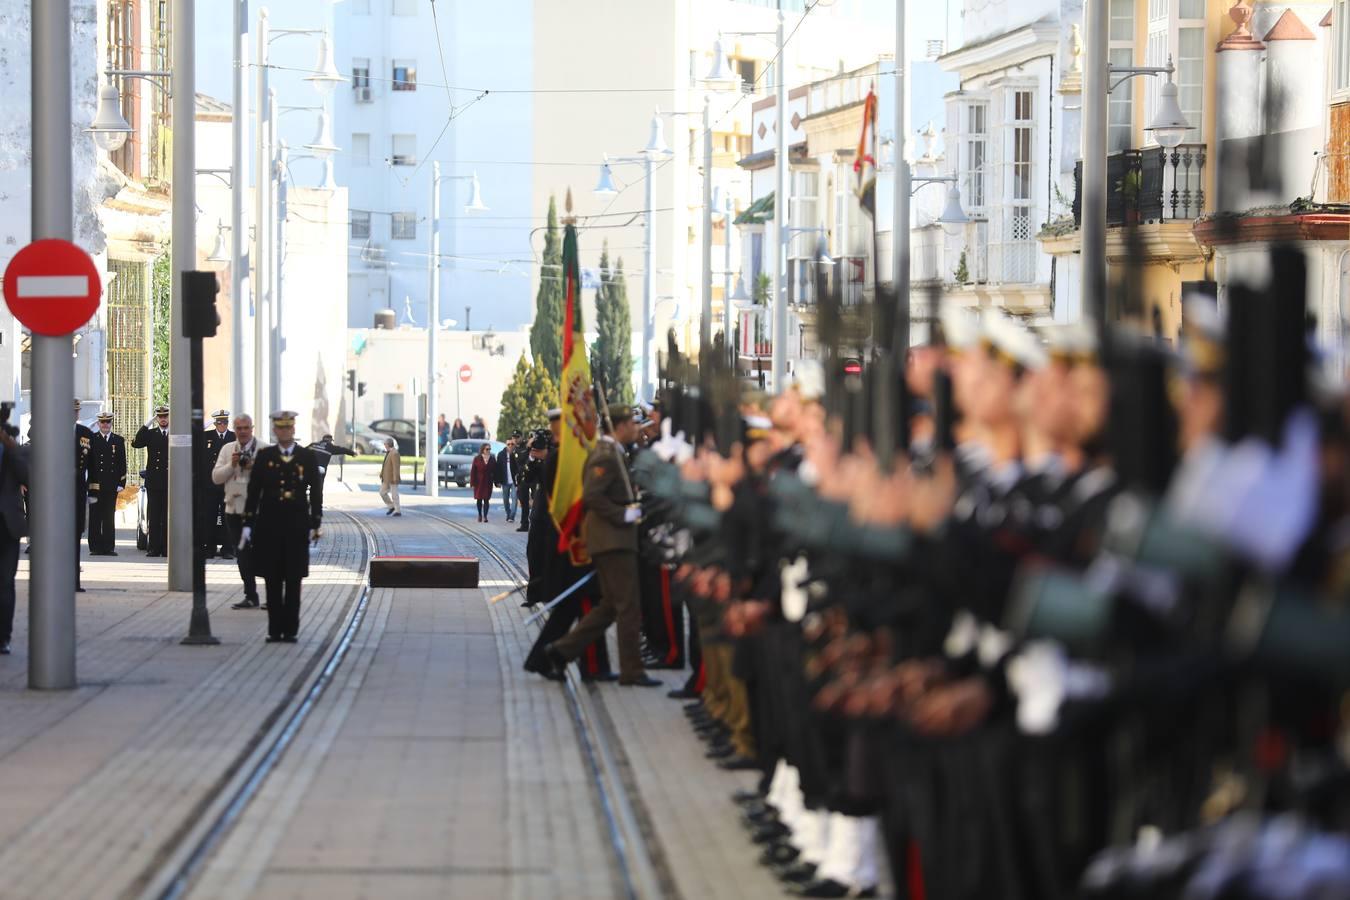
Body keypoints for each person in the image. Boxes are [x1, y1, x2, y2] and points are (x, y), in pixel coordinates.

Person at [543, 404, 661, 687]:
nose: (637, 428)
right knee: (628, 607)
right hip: (613, 541)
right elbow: (593, 496)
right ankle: (632, 671)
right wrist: (624, 514)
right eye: (633, 424)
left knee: (609, 606)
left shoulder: (617, 453)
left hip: (615, 540)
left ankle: (560, 652)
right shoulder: (605, 455)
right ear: (619, 426)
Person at [241, 410, 323, 643]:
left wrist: (315, 521)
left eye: (288, 428)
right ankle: (274, 630)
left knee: (294, 579)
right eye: (280, 428)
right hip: (270, 526)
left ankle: (291, 630)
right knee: (273, 579)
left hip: (297, 525)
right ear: (275, 430)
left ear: (293, 430)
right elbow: (254, 492)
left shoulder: (306, 457)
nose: (285, 431)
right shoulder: (265, 456)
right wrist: (248, 523)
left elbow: (316, 491)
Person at [214, 414, 267, 610]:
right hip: (234, 510)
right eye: (239, 428)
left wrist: (256, 467)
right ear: (234, 430)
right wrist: (232, 465)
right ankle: (250, 595)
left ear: (252, 428)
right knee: (242, 555)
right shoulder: (228, 449)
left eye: (246, 428)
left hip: (259, 512)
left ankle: (272, 595)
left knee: (264, 553)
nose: (243, 431)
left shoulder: (263, 449)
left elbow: (273, 478)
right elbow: (216, 477)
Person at [0, 416, 27, 655]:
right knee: (5, 583)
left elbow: (28, 475)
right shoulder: (11, 450)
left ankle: (3, 638)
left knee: (6, 583)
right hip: (9, 523)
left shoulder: (10, 451)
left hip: (8, 526)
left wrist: (11, 447)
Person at [86, 411, 127, 556]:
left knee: (109, 516)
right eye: (102, 422)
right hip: (95, 485)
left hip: (111, 485)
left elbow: (122, 463)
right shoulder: (92, 439)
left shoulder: (118, 440)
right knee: (95, 516)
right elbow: (86, 462)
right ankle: (95, 547)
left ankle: (109, 547)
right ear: (98, 424)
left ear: (111, 424)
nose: (105, 425)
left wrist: (121, 482)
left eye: (107, 422)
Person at [133, 405, 170, 557]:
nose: (163, 419)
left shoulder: (175, 434)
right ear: (157, 418)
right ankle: (154, 548)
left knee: (168, 516)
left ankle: (167, 548)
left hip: (170, 481)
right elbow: (136, 443)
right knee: (154, 516)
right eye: (160, 417)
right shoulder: (151, 433)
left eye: (165, 416)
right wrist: (148, 423)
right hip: (154, 481)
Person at [201, 409, 235, 559]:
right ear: (215, 423)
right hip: (210, 485)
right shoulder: (206, 436)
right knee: (209, 517)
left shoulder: (234, 437)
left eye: (225, 422)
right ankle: (209, 547)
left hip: (228, 484)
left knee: (228, 518)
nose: (223, 425)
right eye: (219, 422)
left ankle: (228, 548)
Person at [74, 400, 93, 591]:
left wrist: (93, 491)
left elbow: (92, 465)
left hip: (78, 491)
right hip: (57, 494)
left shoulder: (85, 434)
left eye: (76, 411)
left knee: (75, 537)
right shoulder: (53, 431)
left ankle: (74, 581)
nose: (74, 415)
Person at [495, 433, 520, 523]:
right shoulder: (501, 454)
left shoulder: (516, 454)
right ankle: (508, 513)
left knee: (514, 498)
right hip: (505, 481)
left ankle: (511, 516)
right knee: (505, 500)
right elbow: (498, 469)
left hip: (514, 481)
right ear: (506, 445)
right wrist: (497, 481)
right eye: (508, 444)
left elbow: (519, 467)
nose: (510, 445)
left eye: (512, 444)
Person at [470, 442, 494, 522]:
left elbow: (496, 470)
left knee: (486, 499)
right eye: (487, 449)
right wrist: (472, 482)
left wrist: (497, 481)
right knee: (479, 499)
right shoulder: (477, 458)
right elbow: (473, 471)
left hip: (488, 481)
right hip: (479, 482)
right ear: (483, 450)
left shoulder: (492, 458)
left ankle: (485, 516)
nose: (488, 451)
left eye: (489, 449)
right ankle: (480, 515)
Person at [380, 437, 402, 517]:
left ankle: (397, 510)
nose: (384, 445)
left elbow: (396, 467)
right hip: (386, 478)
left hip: (392, 478)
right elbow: (385, 465)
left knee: (394, 495)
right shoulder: (389, 452)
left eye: (385, 444)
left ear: (388, 444)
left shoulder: (394, 453)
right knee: (382, 493)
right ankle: (391, 506)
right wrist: (382, 474)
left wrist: (395, 478)